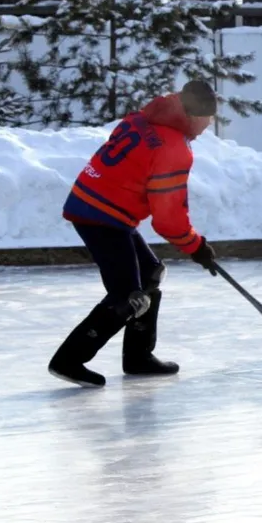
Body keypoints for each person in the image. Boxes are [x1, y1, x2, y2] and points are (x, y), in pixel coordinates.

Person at [48, 80, 220, 388]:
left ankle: (138, 356)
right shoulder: (173, 147)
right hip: (102, 215)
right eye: (208, 117)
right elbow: (168, 219)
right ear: (194, 115)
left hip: (97, 204)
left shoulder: (145, 117)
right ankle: (68, 359)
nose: (209, 124)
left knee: (150, 272)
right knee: (129, 296)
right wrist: (196, 247)